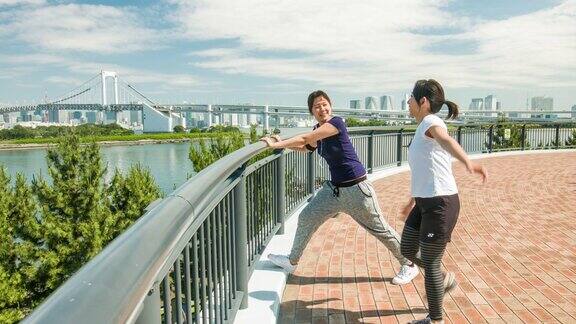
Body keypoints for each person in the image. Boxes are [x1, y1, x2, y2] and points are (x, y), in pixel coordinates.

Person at [261, 90, 419, 285]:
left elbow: (304, 139)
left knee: (380, 230)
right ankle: (292, 261)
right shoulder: (318, 129)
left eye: (324, 104)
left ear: (330, 105)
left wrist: (275, 145)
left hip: (356, 190)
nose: (322, 108)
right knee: (307, 216)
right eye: (316, 106)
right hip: (334, 190)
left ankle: (409, 264)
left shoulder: (336, 123)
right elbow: (306, 147)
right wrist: (282, 144)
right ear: (312, 111)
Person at [400, 79, 488, 324]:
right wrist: (411, 201)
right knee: (407, 248)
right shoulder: (421, 129)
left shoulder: (431, 122)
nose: (408, 103)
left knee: (429, 262)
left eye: (411, 98)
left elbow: (445, 140)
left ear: (423, 102)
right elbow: (425, 170)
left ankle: (435, 319)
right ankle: (443, 278)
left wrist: (467, 162)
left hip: (441, 204)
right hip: (424, 202)